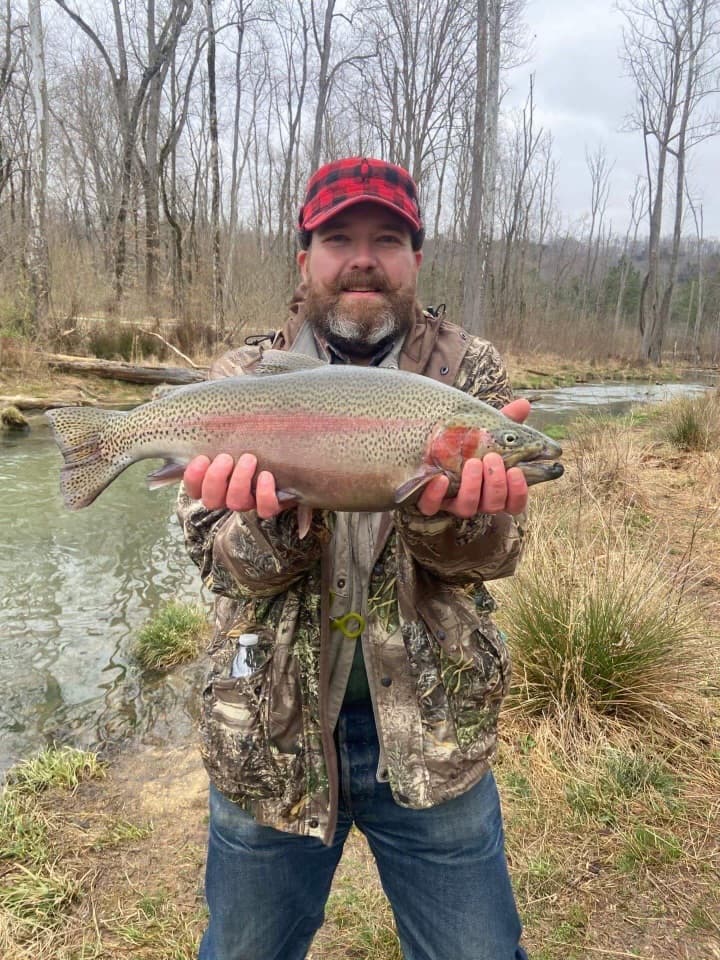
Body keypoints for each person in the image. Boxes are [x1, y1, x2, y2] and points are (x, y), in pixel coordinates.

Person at [178, 157, 531, 960]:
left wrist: (450, 524)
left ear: (415, 259)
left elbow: (497, 555)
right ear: (306, 259)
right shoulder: (244, 379)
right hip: (269, 733)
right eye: (339, 237)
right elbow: (217, 562)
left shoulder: (468, 378)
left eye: (387, 238)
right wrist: (270, 520)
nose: (362, 257)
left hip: (435, 733)